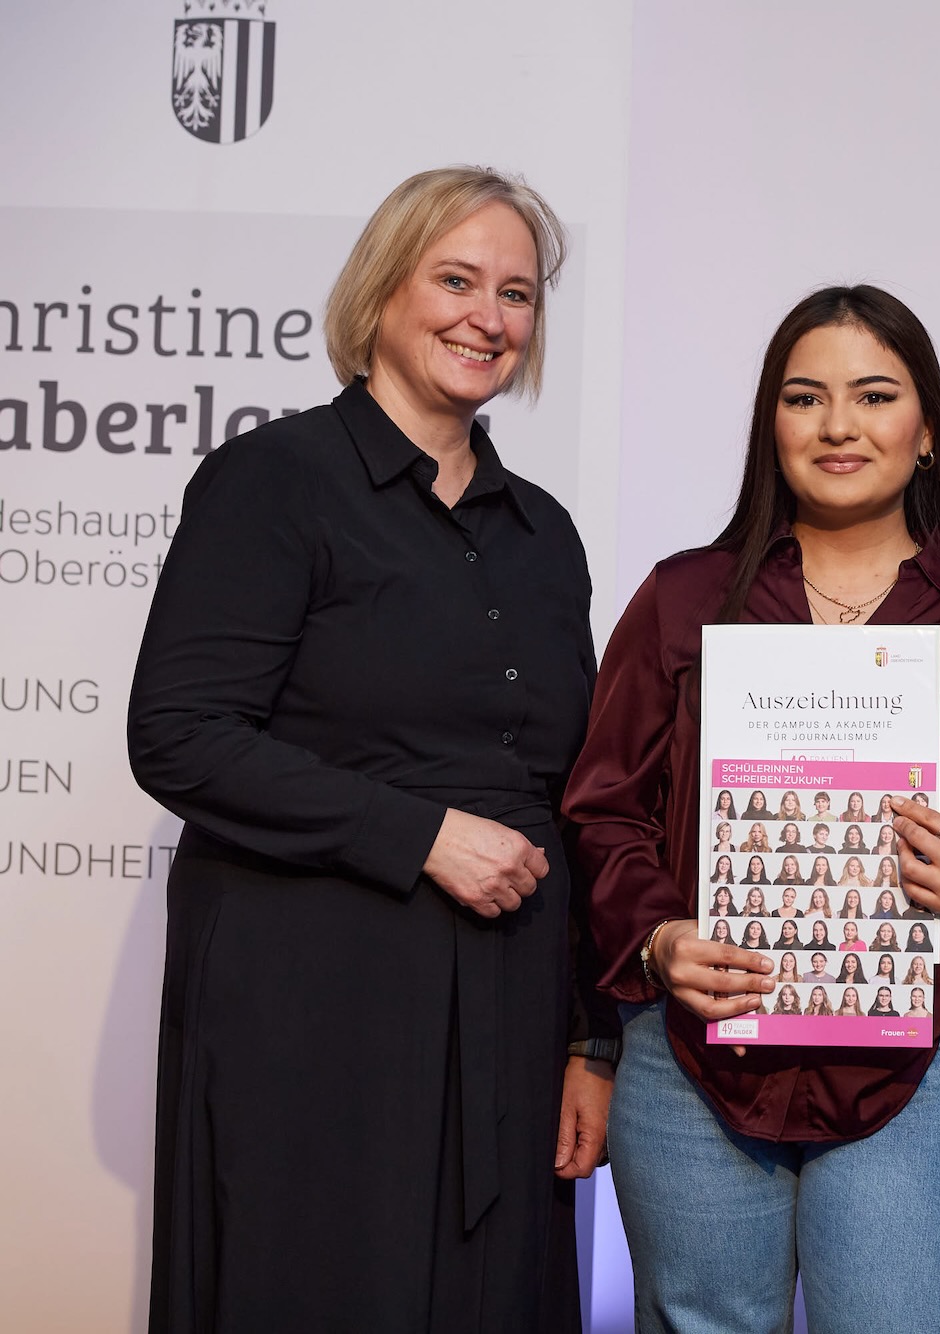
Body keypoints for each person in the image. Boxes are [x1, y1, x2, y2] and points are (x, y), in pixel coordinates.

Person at [129, 166, 615, 1333]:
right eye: (456, 280)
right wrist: (422, 834)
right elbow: (180, 735)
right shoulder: (274, 481)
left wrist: (592, 1040)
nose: (487, 317)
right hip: (316, 1003)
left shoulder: (545, 533)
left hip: (509, 1007)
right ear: (382, 291)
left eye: (515, 293)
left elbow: (576, 799)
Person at [564, 285, 940, 1332]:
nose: (838, 424)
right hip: (694, 1060)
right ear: (772, 425)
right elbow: (603, 809)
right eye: (805, 398)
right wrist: (658, 937)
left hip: (903, 1064)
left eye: (874, 395)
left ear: (926, 430)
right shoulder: (681, 598)